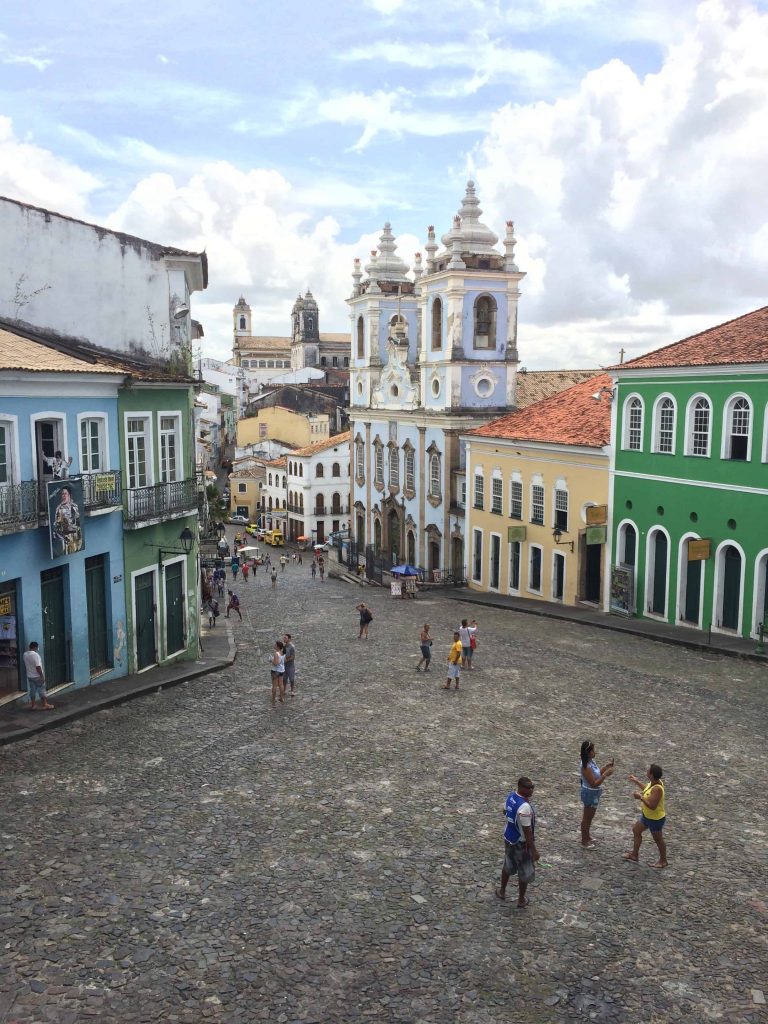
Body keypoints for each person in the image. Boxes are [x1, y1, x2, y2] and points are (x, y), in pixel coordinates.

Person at [495, 776, 539, 908]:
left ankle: (502, 891)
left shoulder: (511, 797)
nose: (531, 790)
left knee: (508, 864)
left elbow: (505, 811)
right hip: (521, 843)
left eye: (532, 787)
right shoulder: (525, 807)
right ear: (521, 787)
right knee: (524, 871)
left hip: (509, 837)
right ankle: (521, 899)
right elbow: (527, 832)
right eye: (528, 788)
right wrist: (534, 850)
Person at [623, 764, 668, 868]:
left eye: (648, 770)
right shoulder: (653, 783)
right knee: (636, 830)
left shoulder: (657, 789)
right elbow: (647, 789)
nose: (646, 771)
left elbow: (652, 805)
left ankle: (663, 860)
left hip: (655, 819)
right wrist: (636, 781)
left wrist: (640, 797)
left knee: (658, 840)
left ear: (651, 775)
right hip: (647, 816)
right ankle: (634, 855)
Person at [579, 740, 615, 848]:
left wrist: (606, 766)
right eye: (593, 750)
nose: (595, 752)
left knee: (590, 817)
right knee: (586, 818)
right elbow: (593, 783)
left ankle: (587, 836)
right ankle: (584, 841)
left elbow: (597, 773)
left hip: (594, 793)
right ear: (588, 752)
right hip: (590, 792)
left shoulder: (591, 761)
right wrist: (605, 775)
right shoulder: (585, 766)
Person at [52, 485, 83, 556]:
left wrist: (79, 538)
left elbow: (78, 522)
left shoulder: (75, 506)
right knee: (67, 552)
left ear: (69, 495)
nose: (63, 496)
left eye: (65, 494)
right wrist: (63, 538)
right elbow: (56, 526)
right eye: (62, 494)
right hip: (66, 539)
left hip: (76, 537)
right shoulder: (59, 508)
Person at [23, 641, 54, 710]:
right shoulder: (35, 655)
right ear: (35, 647)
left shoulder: (25, 654)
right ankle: (45, 704)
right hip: (37, 676)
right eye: (37, 647)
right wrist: (42, 676)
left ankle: (33, 705)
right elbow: (38, 667)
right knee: (42, 690)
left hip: (30, 676)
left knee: (32, 690)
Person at [270, 640, 286, 706]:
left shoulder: (276, 653)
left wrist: (271, 660)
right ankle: (282, 698)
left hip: (275, 671)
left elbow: (276, 663)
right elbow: (283, 661)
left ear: (278, 646)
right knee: (281, 685)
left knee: (274, 686)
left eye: (275, 645)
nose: (274, 645)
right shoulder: (282, 653)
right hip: (281, 670)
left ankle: (273, 700)